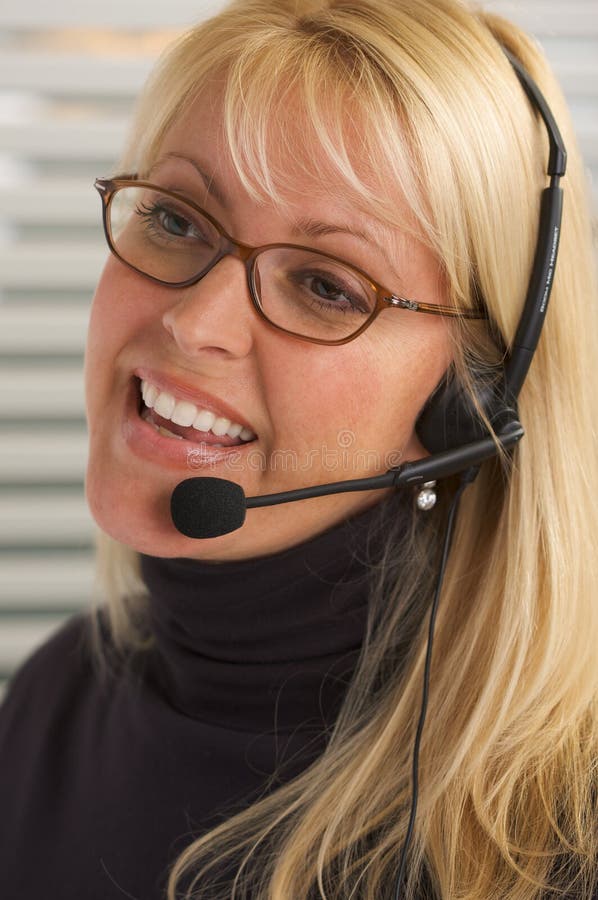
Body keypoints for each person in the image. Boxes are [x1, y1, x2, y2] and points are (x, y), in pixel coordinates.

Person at [0, 0, 596, 897]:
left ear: (468, 404)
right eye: (175, 220)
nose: (195, 323)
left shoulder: (562, 833)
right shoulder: (54, 707)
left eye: (325, 285)